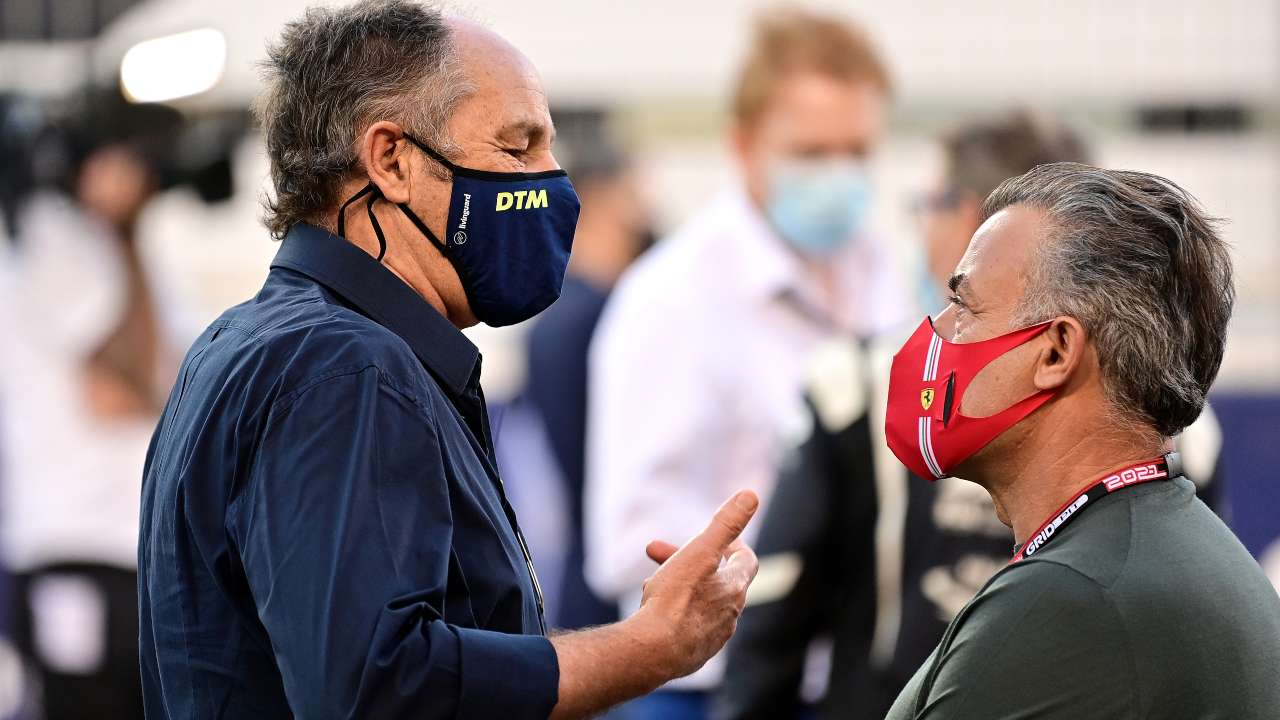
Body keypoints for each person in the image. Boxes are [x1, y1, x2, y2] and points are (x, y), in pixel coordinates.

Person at [137, 3, 760, 719]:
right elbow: (377, 687)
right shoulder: (342, 365)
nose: (552, 180)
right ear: (391, 160)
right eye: (517, 147)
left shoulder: (247, 341)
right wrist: (647, 647)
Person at [715, 113, 1226, 719]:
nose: (939, 335)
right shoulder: (1182, 465)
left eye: (965, 305)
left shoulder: (851, 388)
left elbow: (769, 642)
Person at [586, 11, 905, 717]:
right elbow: (627, 540)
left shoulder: (882, 275)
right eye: (813, 152)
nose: (840, 174)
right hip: (707, 688)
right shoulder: (672, 299)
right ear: (743, 144)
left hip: (855, 678)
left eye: (857, 151)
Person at [882, 163, 1280, 718]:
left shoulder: (1067, 601)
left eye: (966, 306)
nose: (939, 332)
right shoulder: (1171, 554)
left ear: (1055, 352)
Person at [0, 94, 184, 720]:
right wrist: (123, 228)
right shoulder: (48, 240)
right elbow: (118, 391)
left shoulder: (125, 253)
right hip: (77, 552)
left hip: (136, 559)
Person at [524, 131, 652, 631]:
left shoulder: (552, 314)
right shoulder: (600, 319)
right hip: (615, 574)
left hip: (582, 568)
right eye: (636, 194)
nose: (646, 209)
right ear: (601, 199)